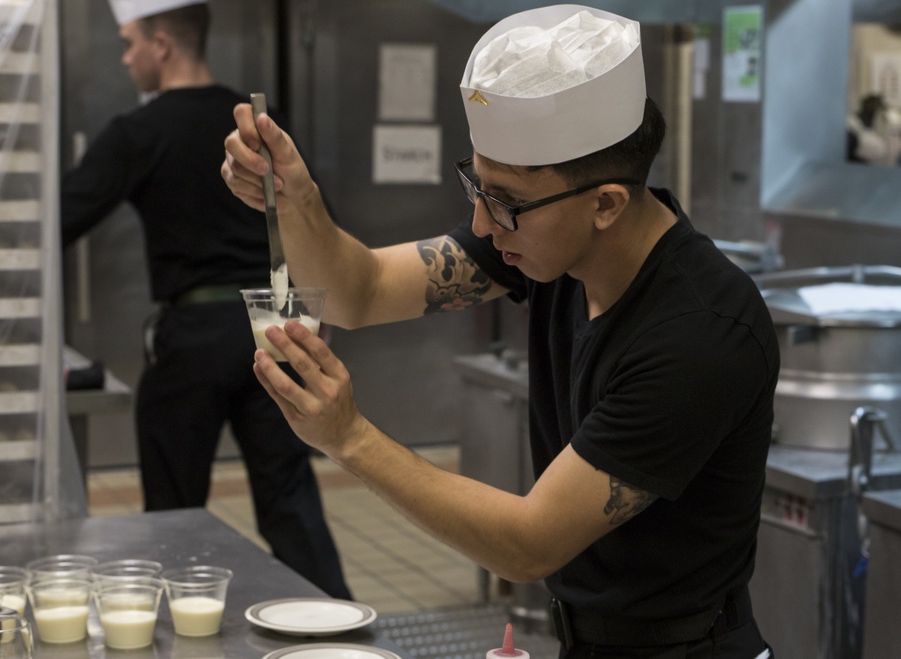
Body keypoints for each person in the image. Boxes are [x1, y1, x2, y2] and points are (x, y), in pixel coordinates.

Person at [222, 5, 778, 658]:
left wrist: (348, 436)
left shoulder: (698, 333)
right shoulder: (550, 250)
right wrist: (298, 200)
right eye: (476, 188)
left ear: (606, 203)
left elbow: (529, 541)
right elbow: (359, 290)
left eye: (507, 202)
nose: (484, 226)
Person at [61, 0, 351, 600]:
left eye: (129, 43)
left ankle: (177, 630)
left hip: (191, 336)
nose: (126, 58)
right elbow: (319, 221)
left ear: (162, 43)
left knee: (175, 510)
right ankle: (343, 630)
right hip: (276, 329)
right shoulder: (256, 126)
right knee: (289, 500)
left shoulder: (138, 132)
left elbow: (59, 219)